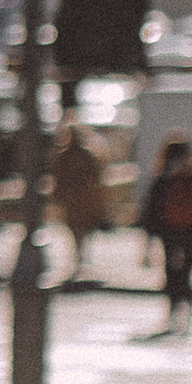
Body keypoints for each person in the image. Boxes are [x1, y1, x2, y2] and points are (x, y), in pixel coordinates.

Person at [140, 134, 192, 335]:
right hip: (170, 231)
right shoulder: (162, 180)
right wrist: (149, 236)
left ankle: (186, 306)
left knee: (188, 270)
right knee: (172, 272)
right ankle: (174, 309)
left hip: (191, 231)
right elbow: (152, 210)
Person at [48, 120, 110, 281]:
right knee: (77, 229)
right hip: (77, 199)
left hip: (80, 199)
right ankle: (79, 256)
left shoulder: (77, 155)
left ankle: (79, 256)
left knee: (80, 229)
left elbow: (94, 177)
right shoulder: (69, 155)